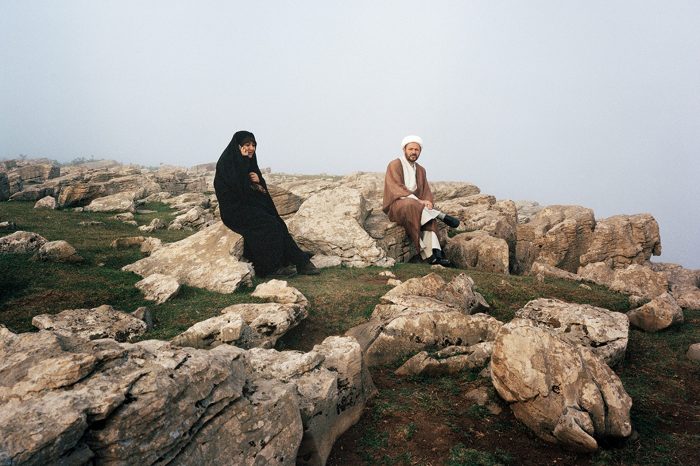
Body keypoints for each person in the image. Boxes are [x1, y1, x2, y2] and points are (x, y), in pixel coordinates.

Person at [214, 130, 319, 278]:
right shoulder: (227, 163)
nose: (251, 148)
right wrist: (244, 163)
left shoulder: (250, 162)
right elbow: (239, 189)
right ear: (237, 146)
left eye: (253, 145)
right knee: (269, 224)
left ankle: (299, 261)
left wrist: (259, 180)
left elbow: (259, 190)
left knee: (278, 222)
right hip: (234, 210)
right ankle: (270, 268)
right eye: (246, 144)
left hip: (249, 207)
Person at [382, 135, 460, 266]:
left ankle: (435, 255)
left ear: (420, 152)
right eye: (410, 149)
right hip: (397, 206)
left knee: (427, 217)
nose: (413, 152)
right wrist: (420, 202)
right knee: (412, 203)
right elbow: (396, 188)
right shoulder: (394, 164)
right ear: (404, 150)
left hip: (416, 207)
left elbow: (426, 191)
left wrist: (427, 202)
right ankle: (440, 215)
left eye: (416, 150)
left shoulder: (421, 170)